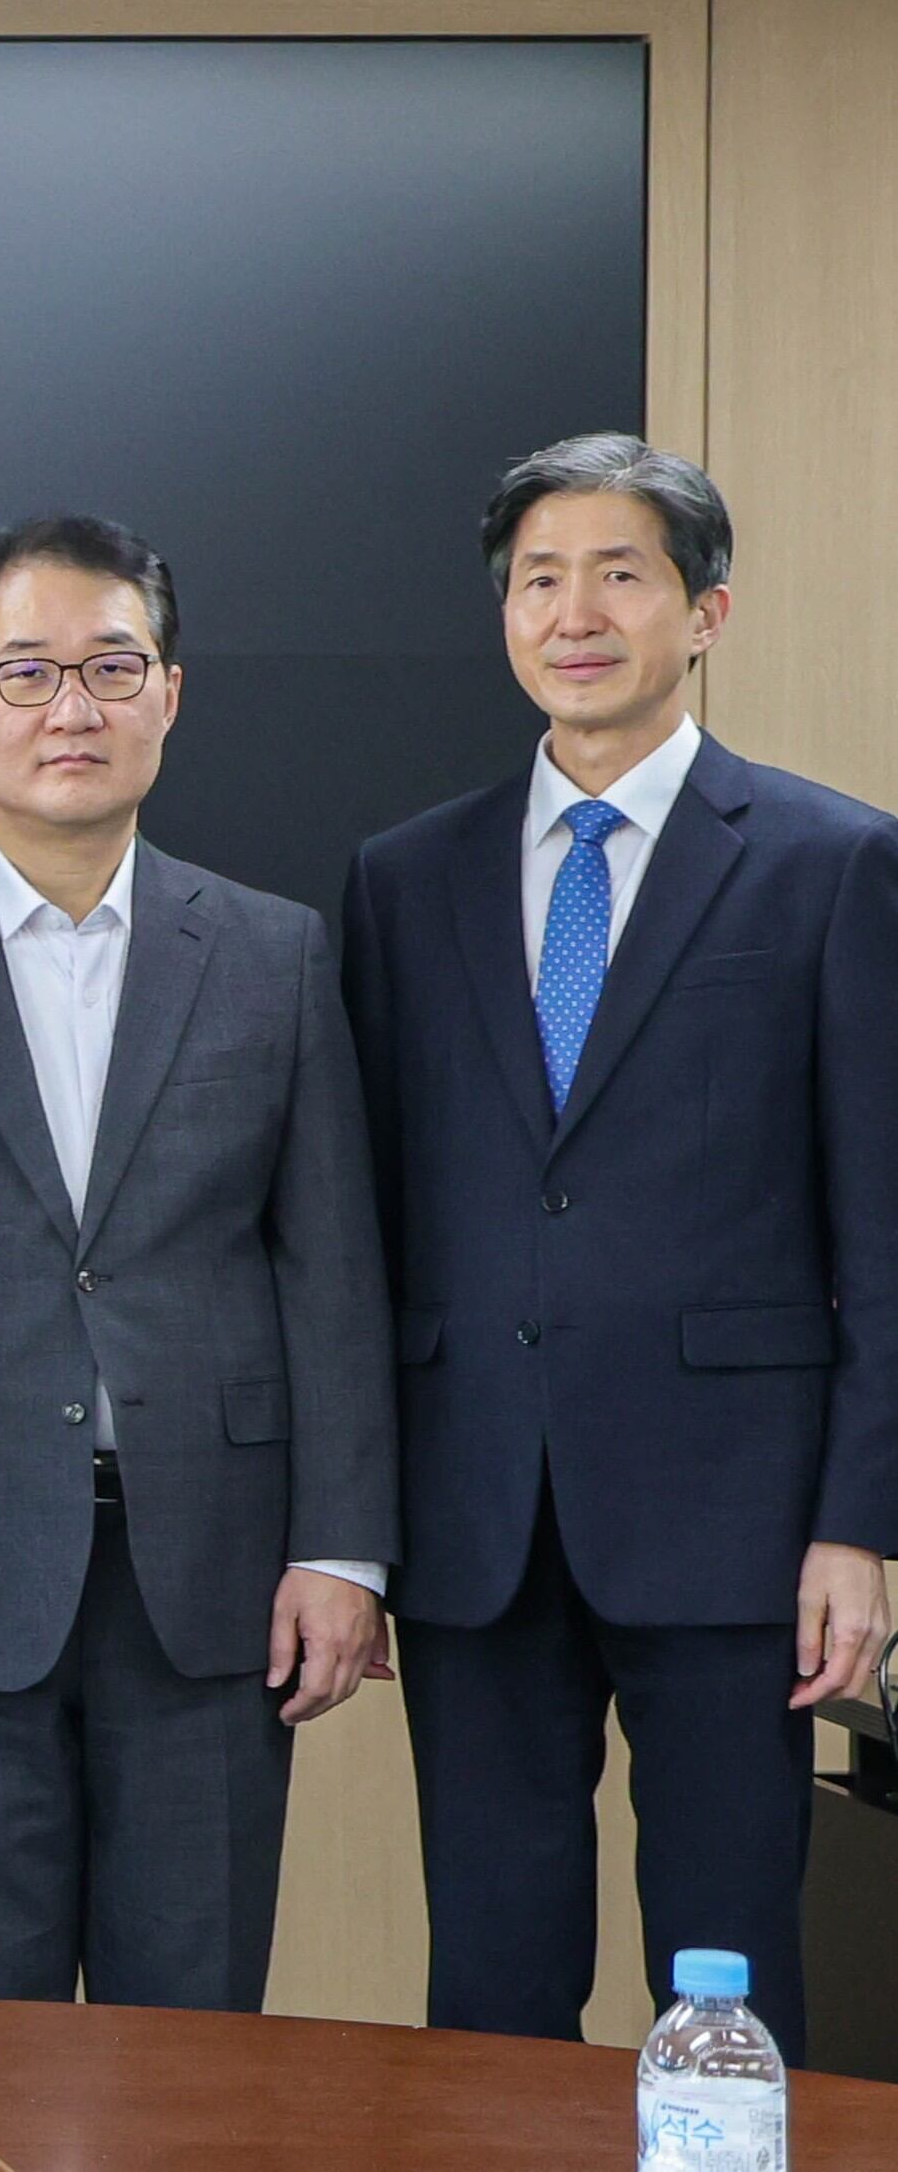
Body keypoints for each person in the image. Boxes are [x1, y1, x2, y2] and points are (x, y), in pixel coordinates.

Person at [0, 515, 393, 2011]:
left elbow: (332, 1273)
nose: (72, 708)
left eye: (113, 668)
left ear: (169, 693)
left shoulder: (273, 950)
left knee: (196, 2019)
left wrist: (344, 1549)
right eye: (27, 670)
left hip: (215, 1574)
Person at [346, 433, 898, 2056]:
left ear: (705, 612)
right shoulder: (405, 877)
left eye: (619, 575)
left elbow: (883, 1224)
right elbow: (362, 1228)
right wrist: (353, 1526)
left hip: (738, 1520)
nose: (574, 613)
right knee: (491, 1981)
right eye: (539, 579)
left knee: (732, 1975)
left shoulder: (833, 862)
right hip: (473, 1512)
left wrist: (858, 1525)